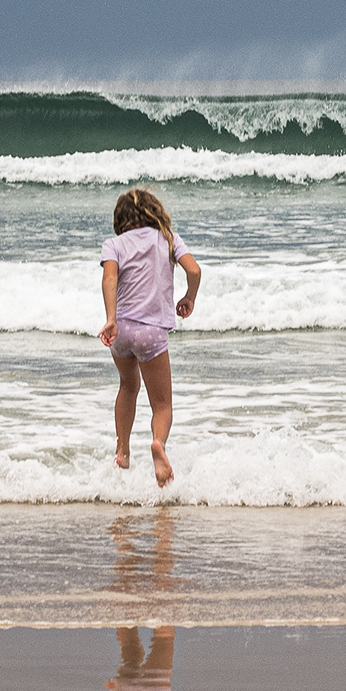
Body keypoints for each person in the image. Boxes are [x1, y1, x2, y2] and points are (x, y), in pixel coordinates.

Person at [99, 188, 201, 487]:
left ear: (120, 218)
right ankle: (158, 444)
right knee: (162, 405)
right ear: (154, 211)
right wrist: (189, 297)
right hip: (152, 333)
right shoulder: (168, 238)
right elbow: (194, 270)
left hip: (121, 331)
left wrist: (110, 319)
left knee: (128, 387)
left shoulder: (113, 244)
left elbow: (109, 278)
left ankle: (122, 452)